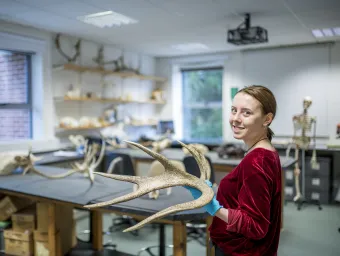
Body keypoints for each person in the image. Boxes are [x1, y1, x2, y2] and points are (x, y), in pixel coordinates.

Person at [186, 85, 282, 256]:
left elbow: (256, 226)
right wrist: (218, 191)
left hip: (240, 251)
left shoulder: (257, 161)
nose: (235, 119)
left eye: (246, 113)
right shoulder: (265, 152)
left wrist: (214, 208)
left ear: (267, 119)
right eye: (233, 110)